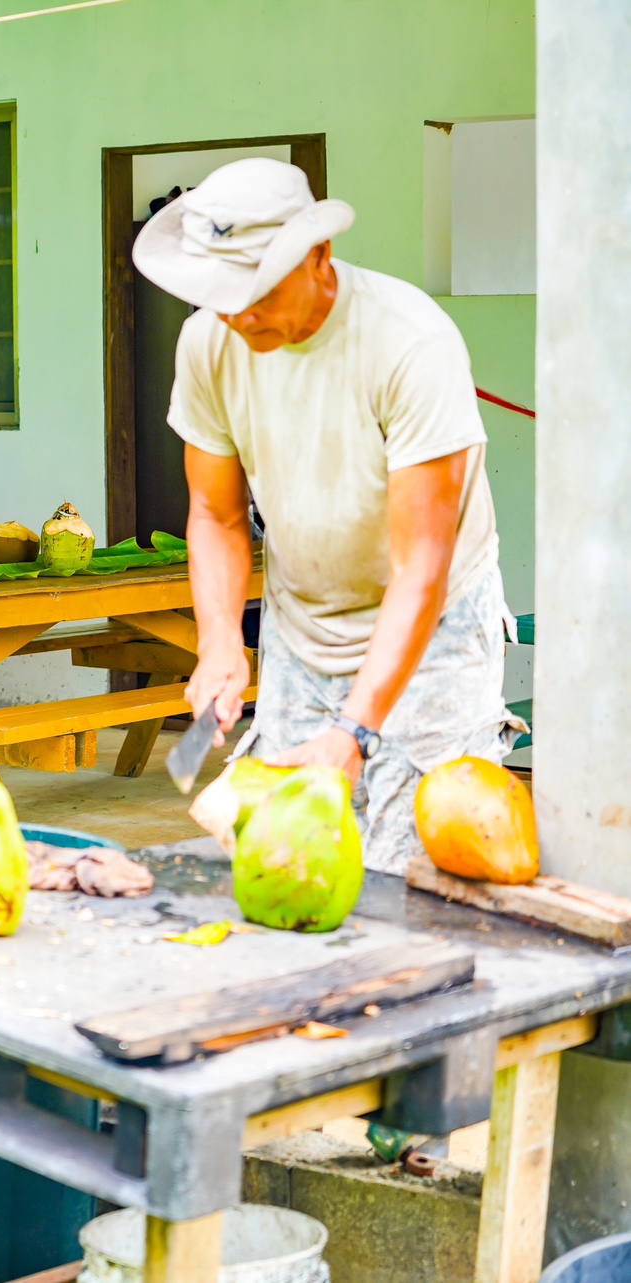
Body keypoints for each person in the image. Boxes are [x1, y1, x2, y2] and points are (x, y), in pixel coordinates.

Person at [133, 158, 524, 876]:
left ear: (320, 256)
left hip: (431, 627)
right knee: (293, 861)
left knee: (419, 872)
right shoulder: (210, 345)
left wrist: (355, 728)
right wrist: (220, 641)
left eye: (256, 291)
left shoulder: (410, 344)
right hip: (304, 623)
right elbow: (216, 517)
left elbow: (421, 570)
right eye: (222, 294)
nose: (238, 314)